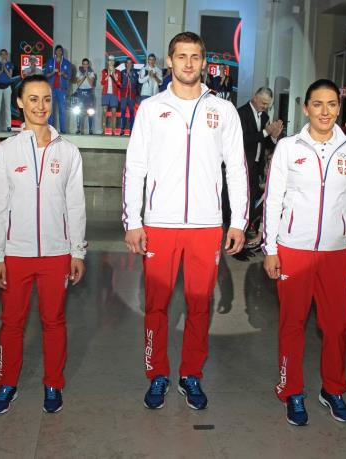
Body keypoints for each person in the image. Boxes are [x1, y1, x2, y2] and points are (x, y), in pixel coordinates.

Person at [123, 31, 248, 411]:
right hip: (159, 224)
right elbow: (135, 166)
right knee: (156, 305)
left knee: (199, 305)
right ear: (169, 61)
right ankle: (157, 374)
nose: (188, 63)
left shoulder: (223, 111)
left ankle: (191, 374)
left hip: (206, 226)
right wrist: (133, 220)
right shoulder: (151, 109)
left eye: (195, 56)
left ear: (204, 62)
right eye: (181, 56)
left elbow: (237, 170)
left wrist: (238, 221)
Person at [262, 79, 346, 426]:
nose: (325, 111)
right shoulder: (289, 147)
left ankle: (333, 389)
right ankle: (291, 390)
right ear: (306, 108)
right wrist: (271, 248)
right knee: (293, 324)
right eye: (318, 104)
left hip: (336, 252)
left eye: (332, 104)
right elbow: (273, 200)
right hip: (294, 249)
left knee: (337, 326)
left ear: (339, 108)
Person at [0, 74, 87, 415]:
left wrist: (77, 251)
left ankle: (53, 383)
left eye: (45, 99)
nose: (40, 106)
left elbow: (75, 205)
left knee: (54, 321)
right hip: (15, 254)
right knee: (11, 322)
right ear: (20, 102)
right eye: (33, 99)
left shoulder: (68, 152)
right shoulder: (5, 151)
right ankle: (7, 383)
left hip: (56, 254)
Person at [237, 88, 282, 238]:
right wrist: (265, 132)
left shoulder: (265, 116)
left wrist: (273, 136)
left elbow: (266, 143)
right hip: (243, 164)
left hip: (257, 166)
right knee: (242, 199)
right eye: (263, 103)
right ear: (255, 97)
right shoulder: (241, 113)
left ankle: (247, 229)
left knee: (253, 198)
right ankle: (238, 231)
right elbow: (243, 140)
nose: (265, 107)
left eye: (267, 104)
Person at [45, 45, 71, 133]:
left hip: (61, 89)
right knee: (50, 110)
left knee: (62, 110)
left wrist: (63, 74)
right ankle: (49, 130)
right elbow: (46, 75)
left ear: (62, 52)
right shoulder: (50, 62)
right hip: (51, 89)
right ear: (55, 52)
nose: (59, 52)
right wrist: (53, 72)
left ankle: (63, 130)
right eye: (57, 50)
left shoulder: (66, 63)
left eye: (60, 50)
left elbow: (69, 76)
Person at [0, 49, 15, 133]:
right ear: (0, 55)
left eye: (5, 54)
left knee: (7, 107)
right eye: (2, 54)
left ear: (7, 55)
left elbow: (10, 76)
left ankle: (8, 126)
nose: (3, 56)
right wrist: (1, 70)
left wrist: (4, 68)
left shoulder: (10, 64)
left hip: (7, 87)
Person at [74, 58, 96, 135]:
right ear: (82, 64)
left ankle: (90, 129)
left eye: (87, 64)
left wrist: (87, 75)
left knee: (90, 111)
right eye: (84, 64)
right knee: (78, 111)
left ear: (88, 65)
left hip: (89, 93)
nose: (85, 66)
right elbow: (78, 84)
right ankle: (78, 129)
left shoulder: (91, 72)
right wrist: (84, 76)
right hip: (80, 93)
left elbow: (91, 84)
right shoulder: (79, 72)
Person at [100, 55, 121, 135]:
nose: (111, 62)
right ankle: (103, 130)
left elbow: (119, 84)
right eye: (110, 60)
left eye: (112, 60)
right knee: (104, 112)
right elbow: (102, 82)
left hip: (114, 94)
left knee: (114, 112)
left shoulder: (118, 72)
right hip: (106, 93)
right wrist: (108, 74)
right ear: (108, 62)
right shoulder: (104, 71)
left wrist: (114, 74)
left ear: (114, 62)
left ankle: (113, 131)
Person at [119, 57, 139, 135]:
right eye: (127, 63)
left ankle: (131, 130)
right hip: (124, 95)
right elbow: (122, 84)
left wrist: (130, 76)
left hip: (132, 95)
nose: (129, 64)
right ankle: (122, 129)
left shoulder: (135, 72)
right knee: (122, 112)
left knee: (131, 113)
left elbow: (135, 83)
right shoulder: (122, 72)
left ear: (132, 64)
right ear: (125, 64)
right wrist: (126, 75)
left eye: (130, 63)